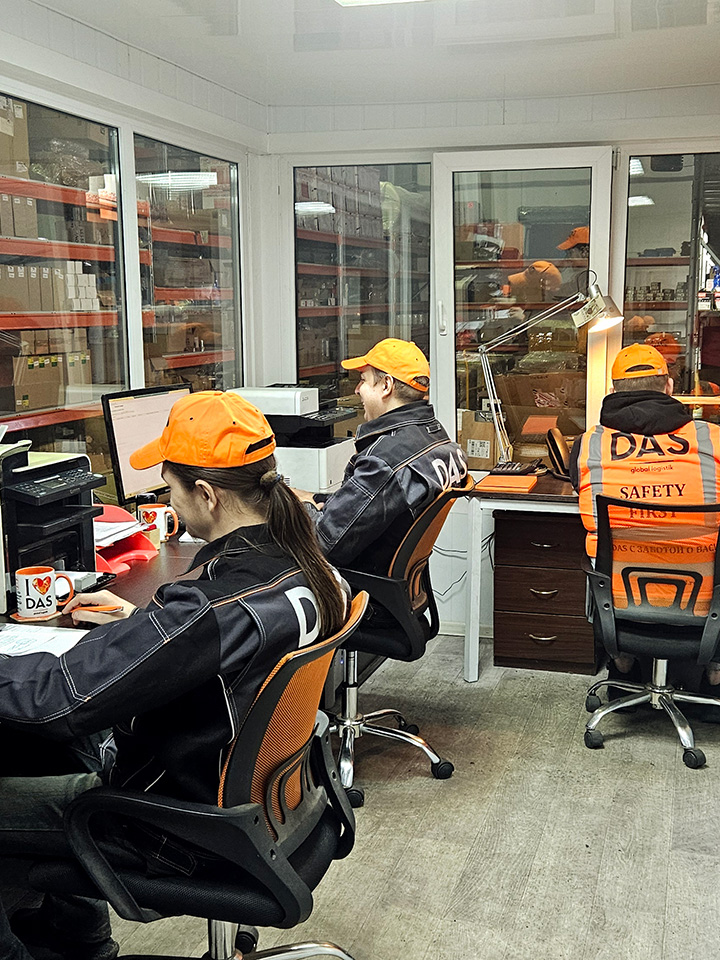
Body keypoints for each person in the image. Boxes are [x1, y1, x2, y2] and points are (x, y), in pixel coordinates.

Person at [0, 390, 347, 960]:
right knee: (60, 749)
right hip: (266, 803)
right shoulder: (306, 564)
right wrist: (144, 632)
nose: (167, 500)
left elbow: (56, 699)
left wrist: (156, 634)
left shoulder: (209, 609)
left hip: (173, 827)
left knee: (62, 734)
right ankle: (76, 938)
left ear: (206, 494)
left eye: (169, 489)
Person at [569, 342, 720, 693]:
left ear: (613, 392)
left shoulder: (588, 445)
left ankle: (623, 670)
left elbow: (580, 487)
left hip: (620, 602)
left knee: (599, 554)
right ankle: (715, 678)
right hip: (705, 600)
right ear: (669, 386)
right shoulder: (712, 438)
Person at [294, 338, 468, 575]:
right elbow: (370, 502)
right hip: (395, 580)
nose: (357, 390)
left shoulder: (384, 461)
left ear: (386, 385)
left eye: (363, 380)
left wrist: (302, 508)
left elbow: (324, 543)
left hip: (359, 583)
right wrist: (314, 498)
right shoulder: (435, 436)